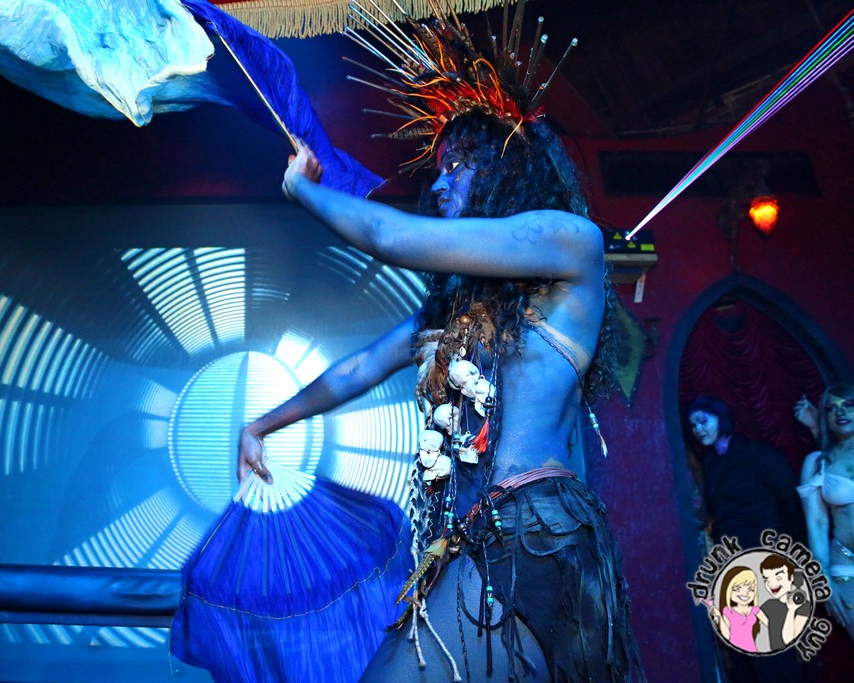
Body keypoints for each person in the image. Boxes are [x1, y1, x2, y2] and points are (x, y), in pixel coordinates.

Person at [236, 13, 644, 682]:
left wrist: (302, 189)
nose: (441, 183)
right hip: (477, 541)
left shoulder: (570, 241)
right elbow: (360, 367)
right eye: (439, 169)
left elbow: (390, 237)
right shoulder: (458, 312)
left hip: (538, 532)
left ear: (507, 167)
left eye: (458, 165)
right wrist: (261, 424)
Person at [687, 396, 806, 550]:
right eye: (693, 426)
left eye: (703, 421)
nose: (697, 430)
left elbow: (790, 501)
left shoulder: (758, 454)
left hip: (767, 544)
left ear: (721, 418)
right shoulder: (709, 464)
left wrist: (798, 546)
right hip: (731, 548)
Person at [796, 384, 854, 639]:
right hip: (847, 565)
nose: (840, 412)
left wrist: (815, 428)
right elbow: (817, 524)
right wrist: (824, 578)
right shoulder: (817, 462)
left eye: (848, 405)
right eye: (831, 408)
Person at [758, 554, 812, 649]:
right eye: (766, 579)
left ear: (791, 578)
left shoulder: (803, 605)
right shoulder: (769, 605)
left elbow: (788, 640)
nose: (771, 584)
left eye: (778, 577)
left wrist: (791, 610)